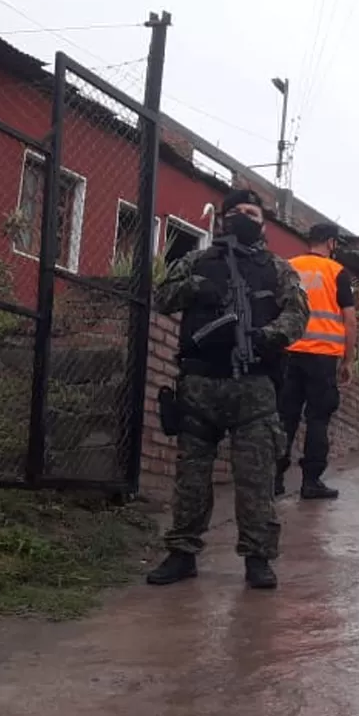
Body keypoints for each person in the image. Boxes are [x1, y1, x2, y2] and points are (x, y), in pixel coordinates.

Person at [146, 189, 310, 590]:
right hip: (200, 383)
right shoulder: (197, 260)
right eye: (235, 212)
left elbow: (297, 314)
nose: (243, 218)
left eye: (252, 213)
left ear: (263, 223)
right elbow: (162, 297)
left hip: (254, 387)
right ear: (222, 220)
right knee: (191, 476)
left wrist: (265, 336)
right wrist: (197, 287)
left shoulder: (277, 268)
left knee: (255, 478)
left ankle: (257, 559)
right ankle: (182, 553)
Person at [275, 222, 357, 500]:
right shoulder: (337, 272)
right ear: (332, 242)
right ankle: (311, 481)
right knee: (318, 418)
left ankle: (274, 479)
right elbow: (350, 319)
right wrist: (348, 360)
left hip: (289, 351)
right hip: (322, 357)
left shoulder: (288, 266)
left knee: (284, 416)